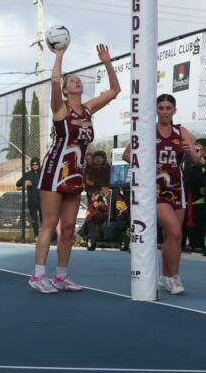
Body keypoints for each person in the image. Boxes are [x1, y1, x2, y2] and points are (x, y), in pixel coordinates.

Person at [29, 43, 121, 293]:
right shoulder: (60, 108)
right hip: (54, 171)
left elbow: (114, 90)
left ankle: (61, 275)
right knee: (50, 223)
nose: (76, 82)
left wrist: (107, 62)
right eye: (72, 80)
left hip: (75, 173)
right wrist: (58, 56)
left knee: (69, 226)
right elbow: (55, 81)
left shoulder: (88, 109)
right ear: (67, 88)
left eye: (79, 80)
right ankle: (38, 275)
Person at [122, 93, 200, 295]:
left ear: (174, 110)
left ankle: (166, 276)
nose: (165, 112)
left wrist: (190, 151)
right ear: (156, 110)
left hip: (177, 188)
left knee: (173, 236)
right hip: (155, 189)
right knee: (174, 231)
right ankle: (172, 278)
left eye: (168, 108)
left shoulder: (181, 131)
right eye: (161, 108)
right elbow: (126, 154)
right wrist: (143, 164)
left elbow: (197, 160)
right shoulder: (147, 130)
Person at [181, 139, 206, 253]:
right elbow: (188, 178)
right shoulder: (186, 158)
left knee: (198, 222)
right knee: (185, 222)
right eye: (195, 148)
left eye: (199, 149)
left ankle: (197, 244)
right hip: (187, 197)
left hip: (199, 199)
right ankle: (187, 244)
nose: (196, 151)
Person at [16, 157, 42, 238]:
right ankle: (36, 236)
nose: (35, 166)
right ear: (31, 165)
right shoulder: (28, 174)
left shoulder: (42, 173)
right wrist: (25, 182)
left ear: (39, 164)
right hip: (32, 200)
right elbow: (17, 184)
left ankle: (45, 236)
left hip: (42, 200)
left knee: (43, 219)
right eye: (33, 164)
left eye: (36, 164)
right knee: (34, 219)